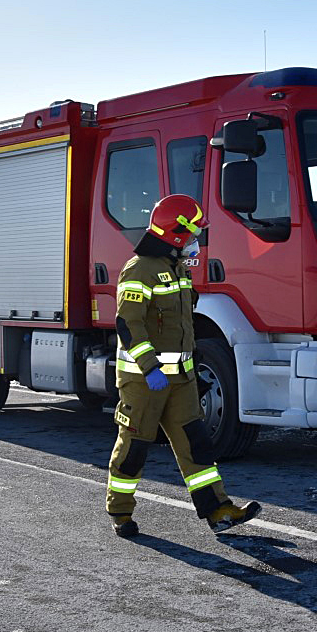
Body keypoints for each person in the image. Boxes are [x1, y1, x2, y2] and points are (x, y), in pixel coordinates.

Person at [106, 194, 261, 538]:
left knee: (196, 444)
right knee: (134, 448)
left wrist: (192, 370)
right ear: (176, 233)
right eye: (191, 234)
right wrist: (150, 368)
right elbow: (129, 324)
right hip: (144, 381)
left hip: (181, 380)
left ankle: (218, 509)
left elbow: (182, 325)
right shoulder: (139, 269)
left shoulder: (176, 268)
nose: (195, 241)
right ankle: (120, 511)